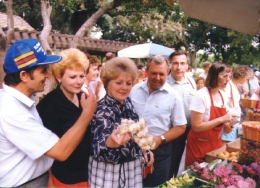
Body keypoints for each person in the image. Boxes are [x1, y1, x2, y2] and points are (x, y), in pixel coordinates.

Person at [0, 38, 96, 187]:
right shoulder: (12, 111)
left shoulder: (22, 103)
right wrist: (87, 114)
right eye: (43, 70)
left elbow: (44, 152)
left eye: (81, 75)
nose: (48, 75)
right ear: (24, 75)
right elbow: (60, 152)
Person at [89, 57, 154, 188]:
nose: (124, 88)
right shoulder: (101, 110)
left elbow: (136, 134)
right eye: (119, 82)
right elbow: (98, 150)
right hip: (108, 173)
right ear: (107, 83)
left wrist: (144, 149)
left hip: (131, 169)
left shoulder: (128, 103)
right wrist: (112, 143)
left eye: (129, 83)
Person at [36, 48, 95, 187]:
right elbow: (44, 149)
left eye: (82, 76)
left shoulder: (83, 98)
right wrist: (49, 179)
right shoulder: (49, 105)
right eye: (73, 77)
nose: (79, 81)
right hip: (64, 178)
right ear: (59, 77)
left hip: (88, 173)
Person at [130, 54, 187, 187]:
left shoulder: (173, 96)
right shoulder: (134, 90)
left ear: (167, 72)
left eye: (161, 74)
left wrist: (159, 139)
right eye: (153, 73)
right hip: (132, 150)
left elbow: (181, 127)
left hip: (159, 151)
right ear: (146, 71)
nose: (157, 77)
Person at [185, 62, 238, 166]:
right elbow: (196, 126)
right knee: (196, 174)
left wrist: (227, 126)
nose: (228, 80)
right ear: (214, 76)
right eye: (224, 76)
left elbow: (222, 123)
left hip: (215, 144)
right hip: (199, 145)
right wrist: (222, 119)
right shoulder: (201, 96)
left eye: (229, 76)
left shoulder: (223, 95)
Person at [166, 50, 197, 178]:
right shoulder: (164, 83)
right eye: (175, 63)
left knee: (182, 164)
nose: (179, 67)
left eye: (182, 63)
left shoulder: (191, 81)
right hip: (172, 131)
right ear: (169, 65)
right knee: (169, 165)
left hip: (189, 131)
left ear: (187, 65)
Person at [222, 65, 251, 142]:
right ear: (240, 76)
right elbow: (225, 105)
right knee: (226, 144)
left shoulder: (234, 85)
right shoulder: (228, 86)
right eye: (246, 79)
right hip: (229, 121)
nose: (246, 81)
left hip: (233, 121)